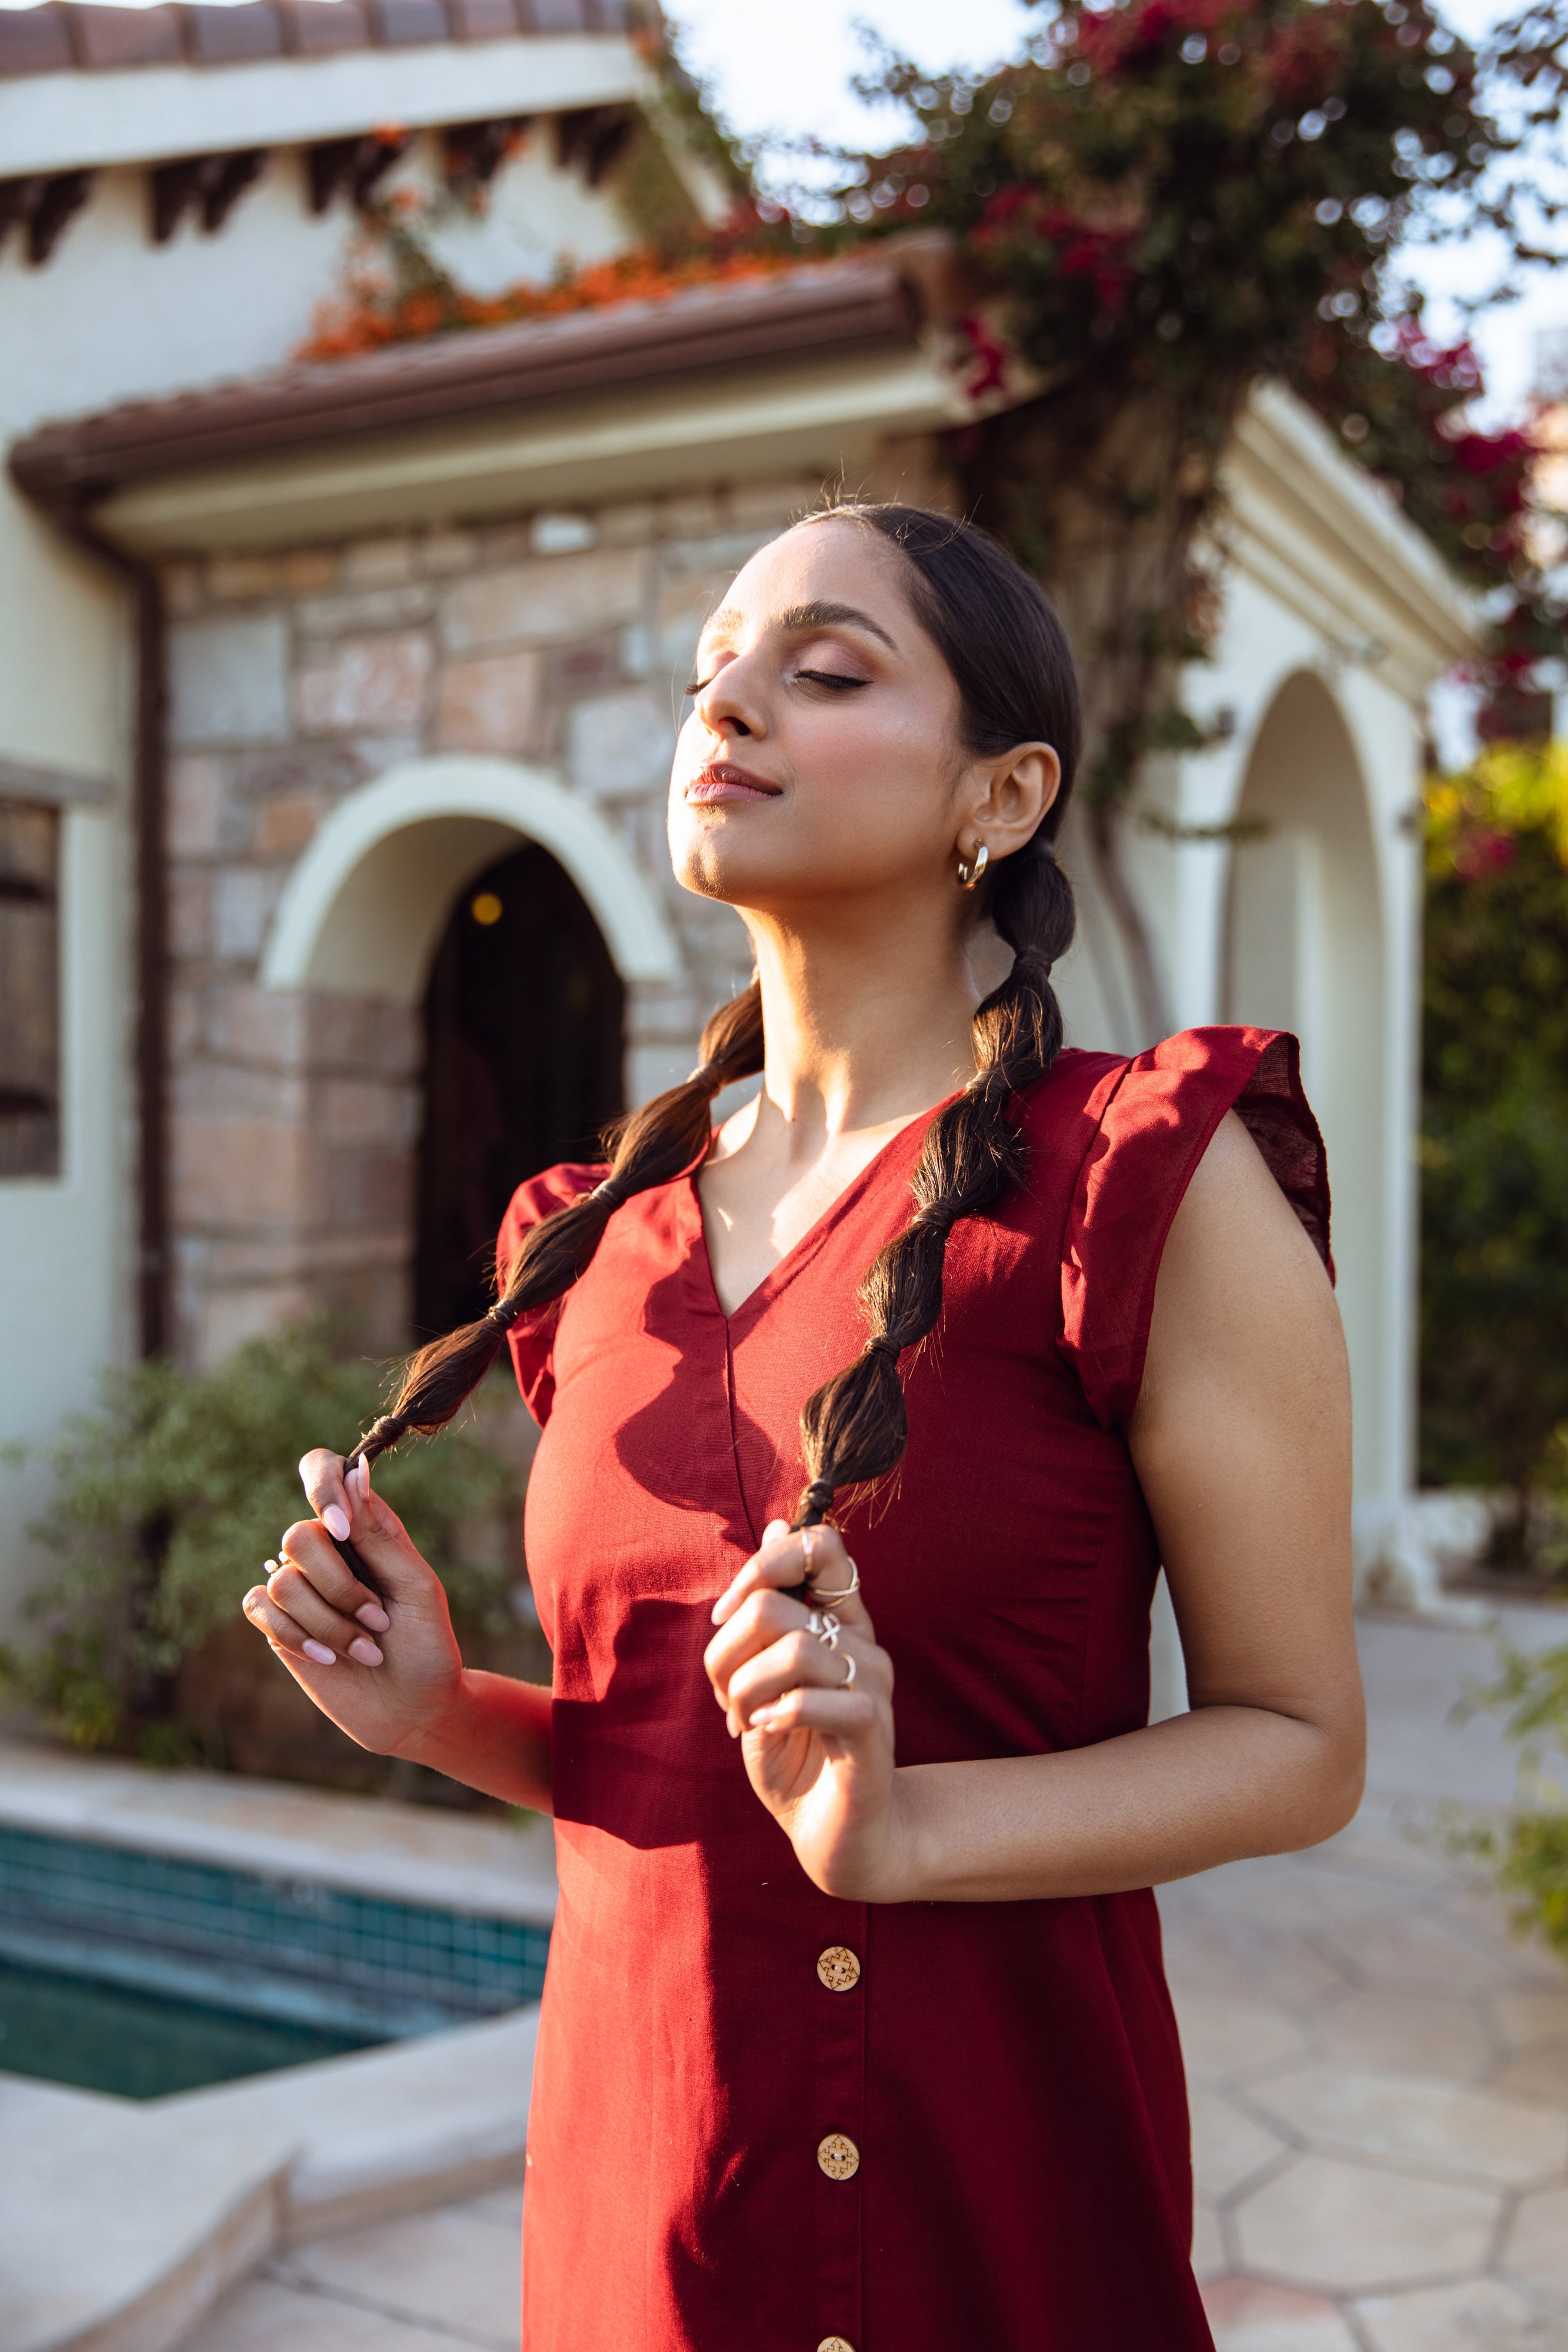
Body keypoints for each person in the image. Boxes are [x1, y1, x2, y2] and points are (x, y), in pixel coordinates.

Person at [245, 503, 1363, 2351]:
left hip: (985, 2205)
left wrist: (899, 1833)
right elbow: (663, 1768)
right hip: (641, 2193)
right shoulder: (585, 1238)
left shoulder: (1144, 1180)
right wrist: (441, 1714)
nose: (728, 705)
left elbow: (1297, 1746)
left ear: (996, 800)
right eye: (711, 674)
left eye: (821, 671)